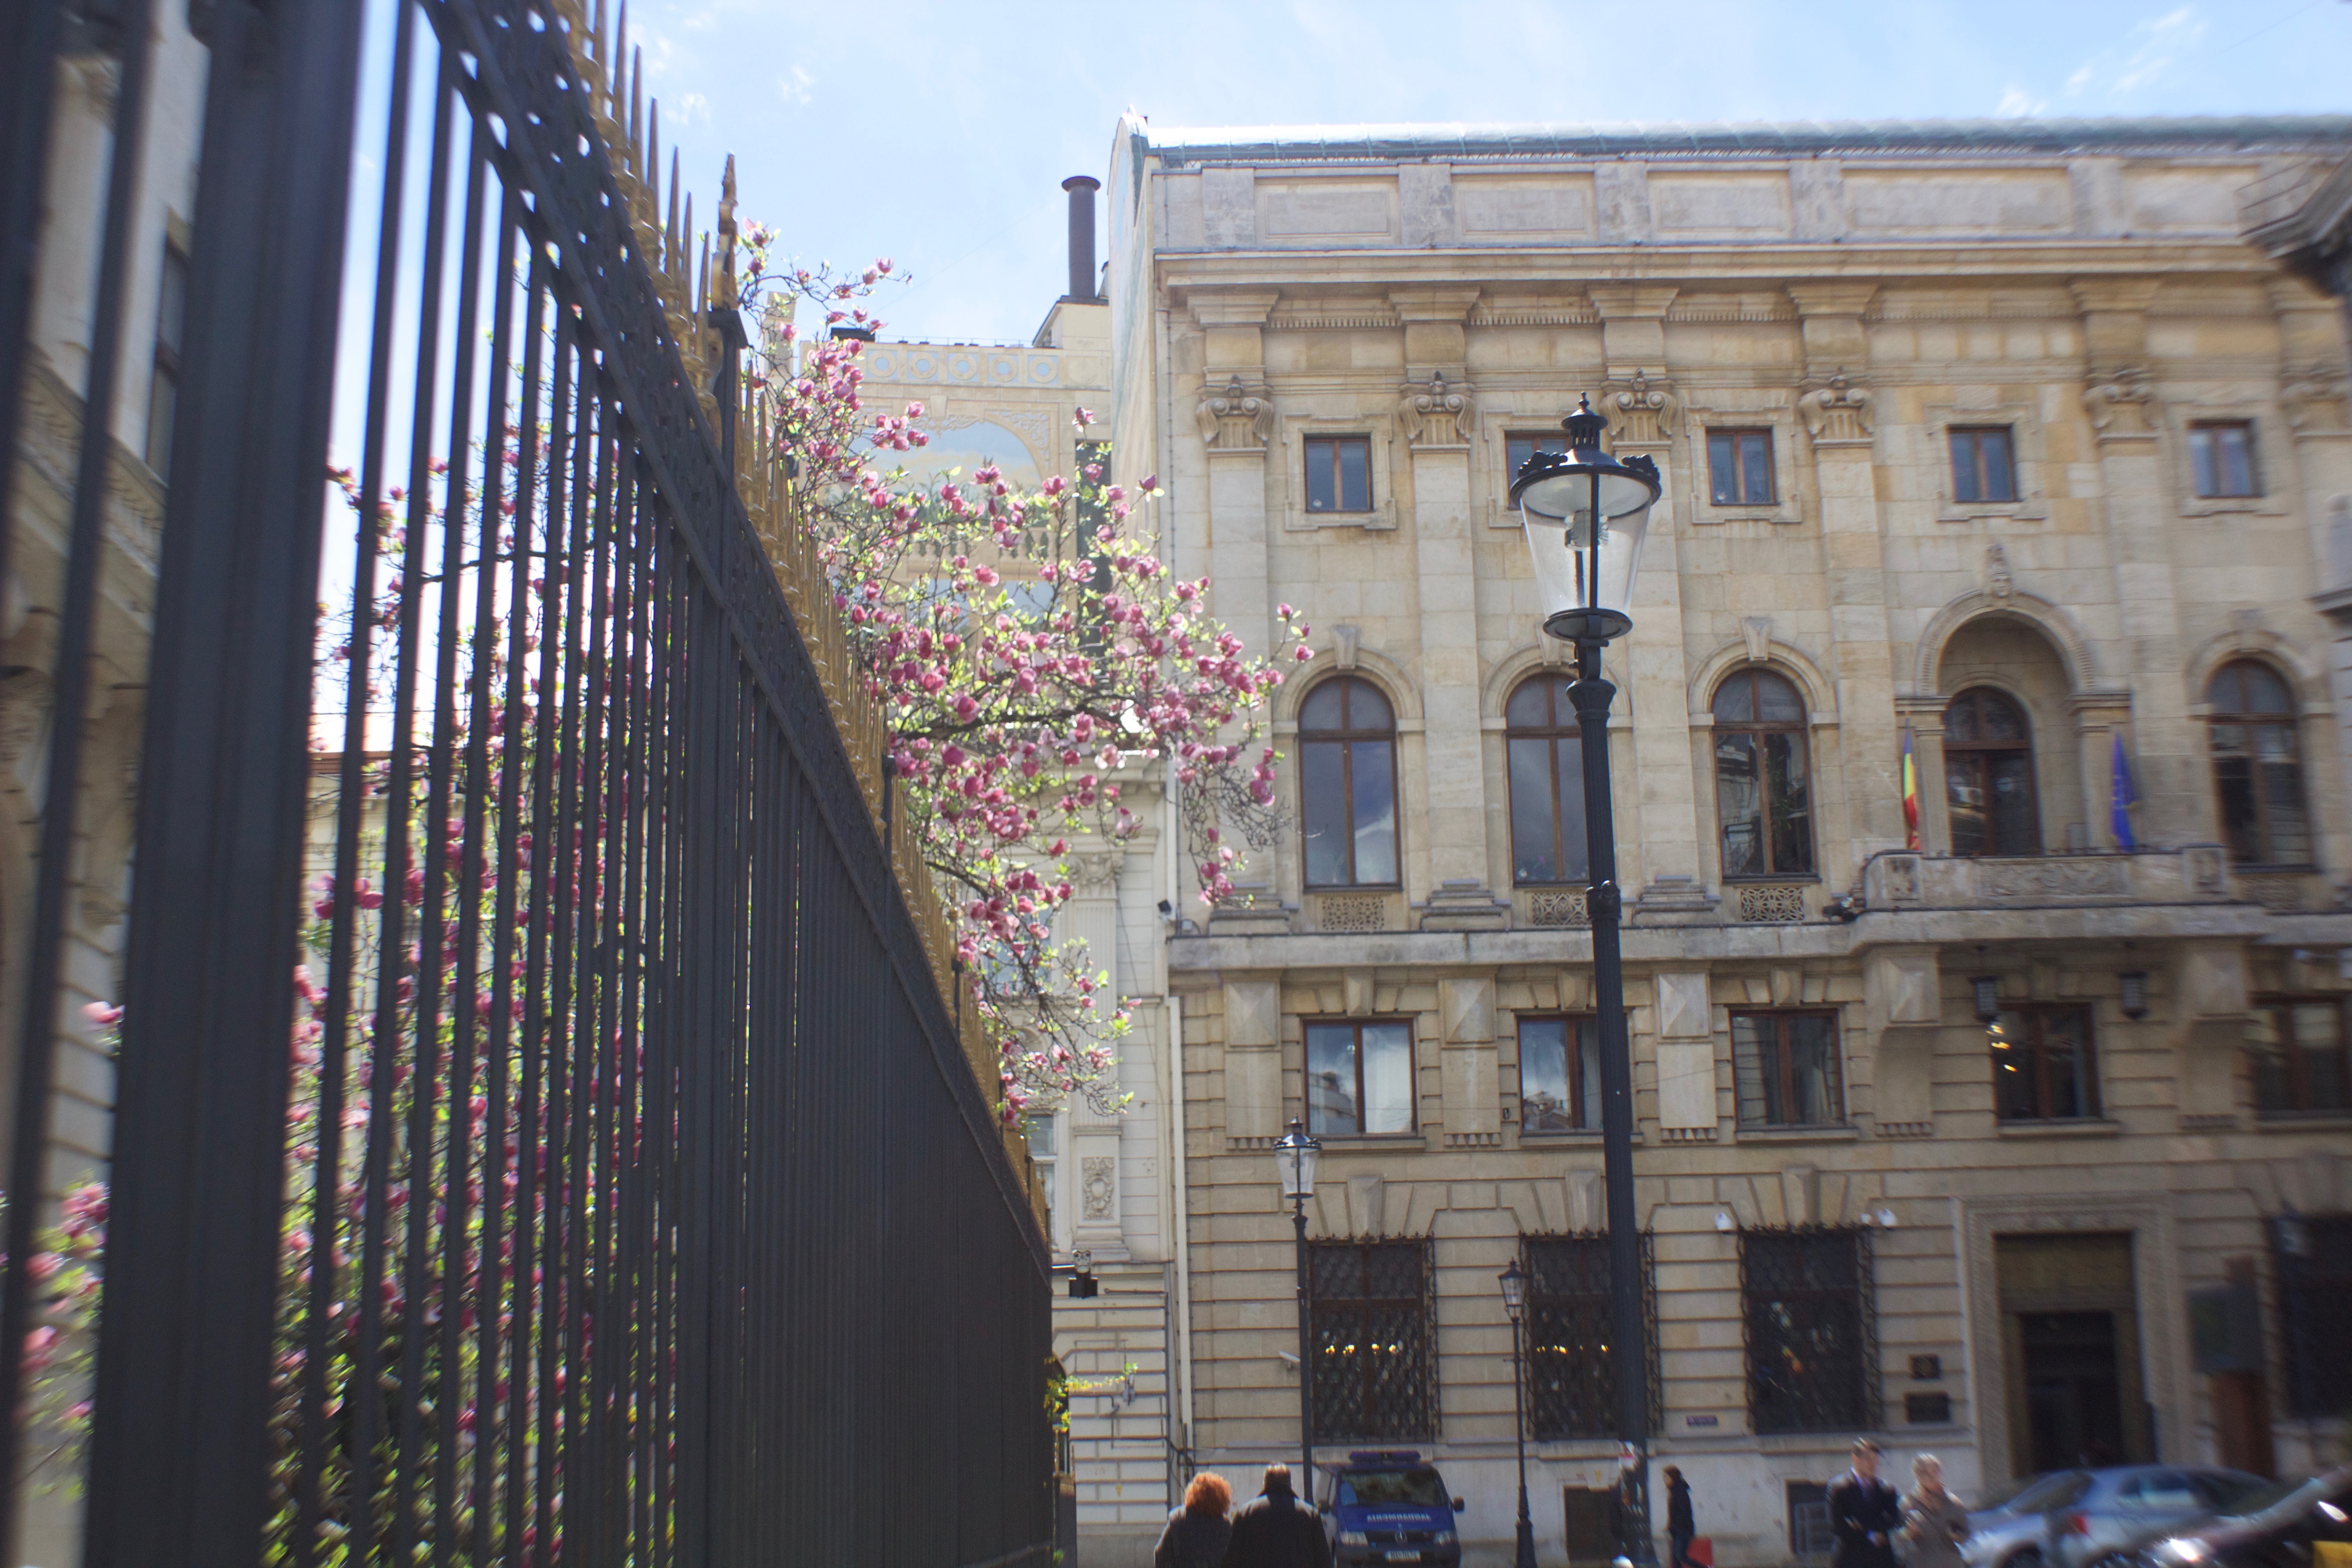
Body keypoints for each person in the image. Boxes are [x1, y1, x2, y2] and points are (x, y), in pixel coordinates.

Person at [1222, 1463, 1331, 1568]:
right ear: (1290, 1484)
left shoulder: (1247, 1513)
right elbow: (1323, 1560)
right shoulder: (1310, 1514)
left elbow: (1232, 1558)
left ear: (1265, 1483)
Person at [1828, 1438, 1904, 1568]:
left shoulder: (1887, 1489)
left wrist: (1859, 1523)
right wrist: (1871, 1534)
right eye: (1868, 1459)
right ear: (1855, 1459)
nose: (1873, 1464)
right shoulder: (1839, 1488)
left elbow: (1894, 1519)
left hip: (1881, 1559)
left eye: (1876, 1460)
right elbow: (1838, 1525)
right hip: (1850, 1559)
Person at [1900, 1455, 1970, 1568]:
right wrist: (1908, 1534)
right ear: (1917, 1475)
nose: (1931, 1477)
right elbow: (1897, 1539)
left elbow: (1966, 1534)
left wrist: (1956, 1536)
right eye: (1924, 1473)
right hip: (1922, 1563)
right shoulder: (1907, 1503)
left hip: (1950, 1563)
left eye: (1934, 1472)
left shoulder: (1953, 1502)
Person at [1158, 1472, 1236, 1568]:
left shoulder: (1177, 1519)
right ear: (1221, 1498)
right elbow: (1232, 1560)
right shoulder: (1224, 1525)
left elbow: (1161, 1556)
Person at [1664, 1465, 1696, 1568]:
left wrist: (1674, 1525)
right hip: (1678, 1530)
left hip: (1682, 1530)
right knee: (1676, 1560)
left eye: (1666, 1477)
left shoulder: (1679, 1491)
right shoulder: (1674, 1491)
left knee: (1680, 1556)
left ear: (1672, 1477)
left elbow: (1684, 1512)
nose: (1664, 1480)